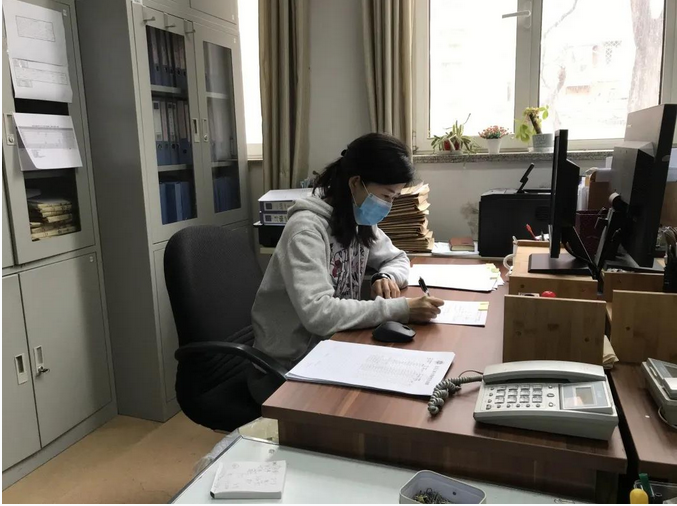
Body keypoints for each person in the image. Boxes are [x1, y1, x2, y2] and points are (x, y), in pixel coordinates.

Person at [250, 133, 444, 389]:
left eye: (393, 198)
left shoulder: (357, 219)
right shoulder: (306, 230)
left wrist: (384, 276)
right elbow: (319, 314)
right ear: (355, 183)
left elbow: (397, 257)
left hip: (331, 349)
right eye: (386, 196)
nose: (388, 206)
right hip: (285, 369)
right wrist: (402, 309)